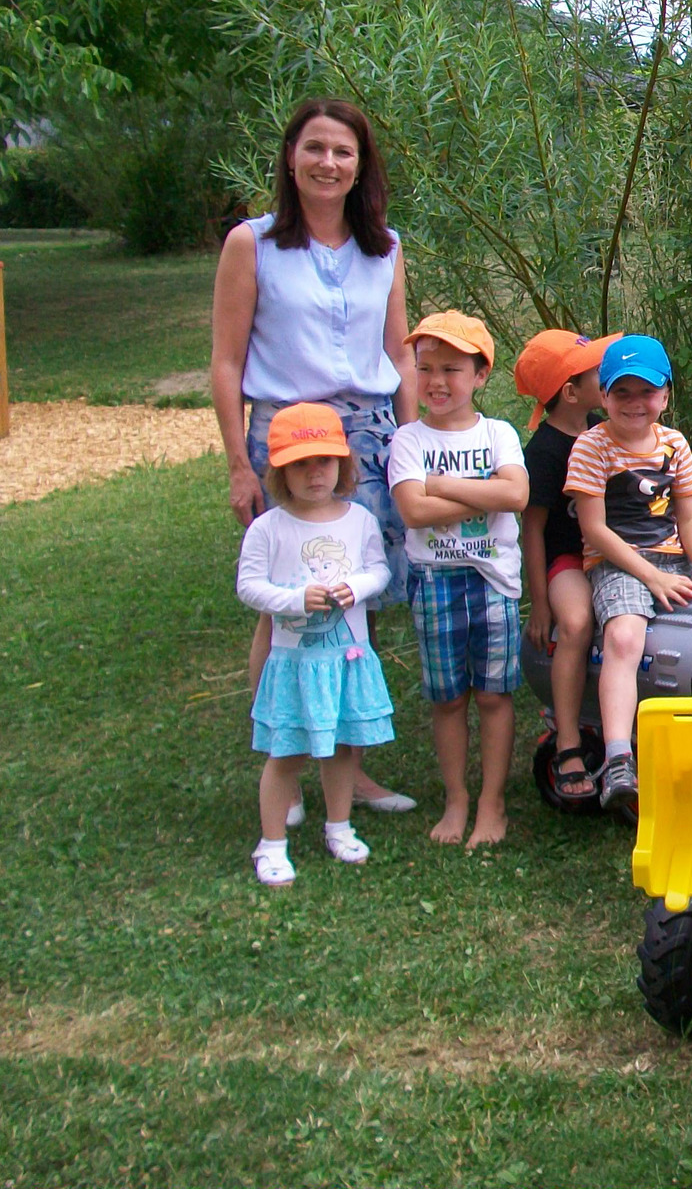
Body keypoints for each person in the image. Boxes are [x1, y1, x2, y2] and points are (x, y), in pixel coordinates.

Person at [210, 97, 417, 818]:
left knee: (354, 605)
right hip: (288, 443)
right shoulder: (254, 244)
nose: (329, 163)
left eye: (343, 152)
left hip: (365, 437)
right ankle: (285, 771)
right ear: (291, 158)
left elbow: (399, 353)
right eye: (315, 149)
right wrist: (240, 463)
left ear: (362, 167)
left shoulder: (384, 248)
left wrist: (412, 447)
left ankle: (349, 769)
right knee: (287, 608)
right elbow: (227, 360)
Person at [564, 334, 692, 815]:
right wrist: (653, 578)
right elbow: (595, 530)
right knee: (623, 636)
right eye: (623, 392)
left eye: (647, 392)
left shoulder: (674, 443)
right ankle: (620, 756)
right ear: (603, 396)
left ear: (665, 396)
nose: (635, 403)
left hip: (674, 556)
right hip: (618, 560)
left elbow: (687, 514)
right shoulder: (592, 447)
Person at [385, 312, 529, 848]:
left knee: (493, 695)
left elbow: (515, 496)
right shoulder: (407, 439)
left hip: (493, 580)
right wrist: (479, 488)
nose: (436, 382)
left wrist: (441, 483)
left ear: (481, 375)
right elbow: (413, 512)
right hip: (435, 580)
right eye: (425, 369)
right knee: (447, 698)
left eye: (451, 368)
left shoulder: (499, 433)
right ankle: (457, 797)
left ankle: (492, 802)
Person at [238, 403, 395, 886]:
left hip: (346, 659)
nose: (314, 473)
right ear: (280, 471)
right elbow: (248, 586)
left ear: (342, 464)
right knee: (286, 750)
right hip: (294, 662)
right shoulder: (269, 528)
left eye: (324, 461)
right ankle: (271, 844)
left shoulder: (360, 520)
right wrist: (292, 599)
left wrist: (360, 589)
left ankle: (339, 826)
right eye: (300, 464)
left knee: (343, 746)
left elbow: (379, 570)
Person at [513, 328, 616, 805]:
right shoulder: (545, 452)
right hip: (568, 557)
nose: (607, 369)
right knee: (576, 624)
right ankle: (570, 741)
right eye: (598, 367)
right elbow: (532, 529)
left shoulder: (602, 426)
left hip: (613, 547)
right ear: (571, 392)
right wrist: (539, 602)